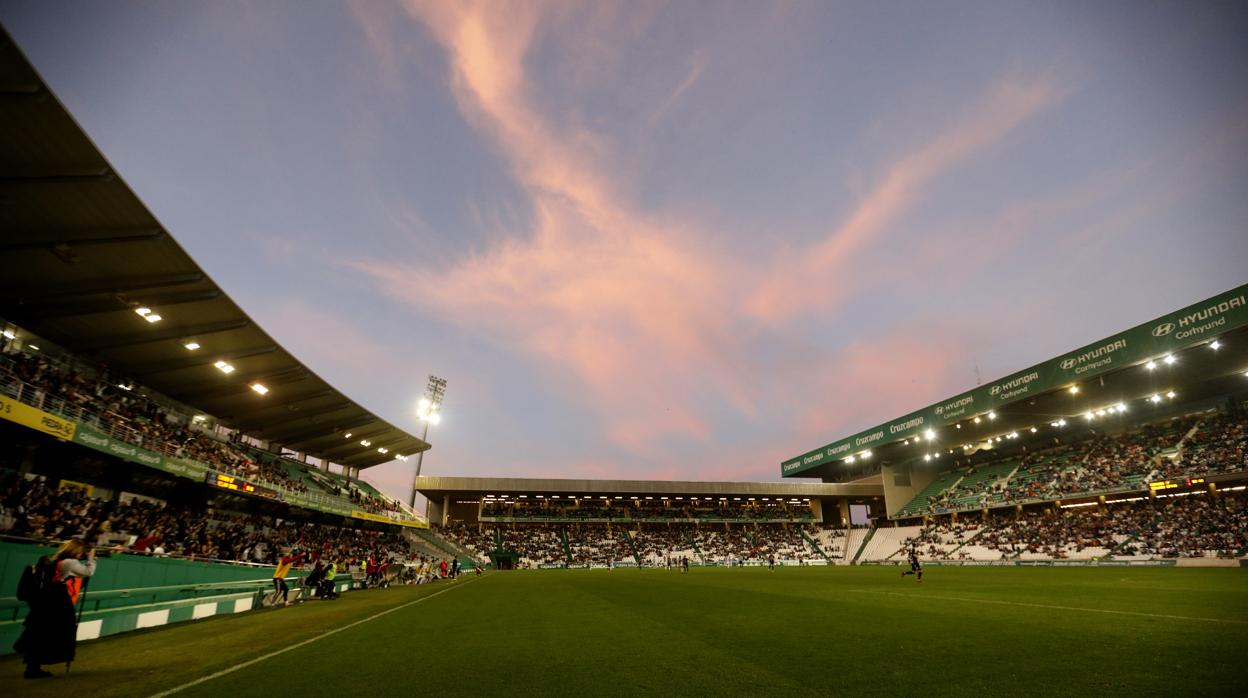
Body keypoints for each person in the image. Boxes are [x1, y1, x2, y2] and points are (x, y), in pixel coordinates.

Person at [14, 539, 97, 679]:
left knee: (41, 635)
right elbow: (88, 571)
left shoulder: (56, 562)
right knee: (52, 635)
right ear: (76, 551)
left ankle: (33, 668)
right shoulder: (70, 563)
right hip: (58, 604)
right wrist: (91, 559)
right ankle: (34, 669)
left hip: (46, 603)